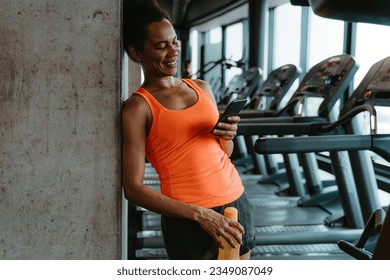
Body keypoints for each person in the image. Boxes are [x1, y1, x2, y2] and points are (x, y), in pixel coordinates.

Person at [121, 0, 255, 260]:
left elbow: (224, 153)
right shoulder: (138, 107)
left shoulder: (202, 88)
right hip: (190, 217)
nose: (172, 51)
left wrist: (228, 136)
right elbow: (133, 188)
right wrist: (202, 216)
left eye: (174, 41)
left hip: (236, 199)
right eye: (161, 46)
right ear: (136, 52)